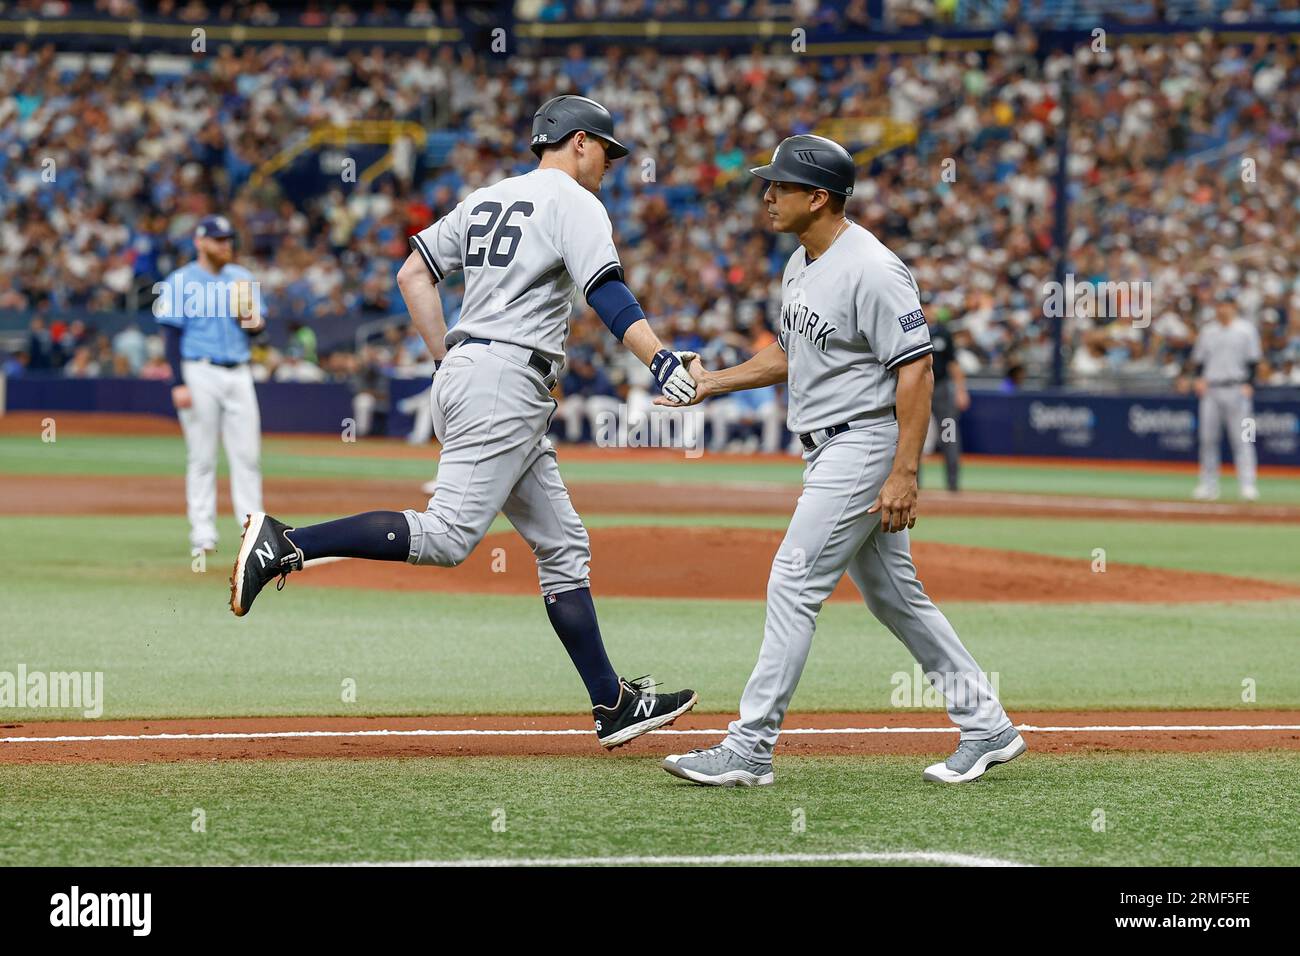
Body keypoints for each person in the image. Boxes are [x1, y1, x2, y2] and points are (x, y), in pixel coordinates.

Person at [228, 95, 699, 750]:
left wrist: (449, 357)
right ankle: (288, 541)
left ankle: (611, 702)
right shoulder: (575, 203)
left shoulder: (485, 198)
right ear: (582, 142)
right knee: (449, 536)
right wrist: (661, 358)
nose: (609, 167)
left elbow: (412, 273)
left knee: (563, 546)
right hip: (504, 380)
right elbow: (607, 291)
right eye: (607, 152)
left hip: (479, 376)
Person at [660, 134, 1023, 787]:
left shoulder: (873, 267)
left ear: (818, 196)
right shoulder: (801, 262)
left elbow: (916, 369)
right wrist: (714, 381)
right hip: (831, 444)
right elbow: (789, 352)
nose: (767, 196)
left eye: (779, 186)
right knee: (895, 599)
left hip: (862, 442)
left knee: (793, 582)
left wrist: (905, 472)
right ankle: (986, 723)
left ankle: (750, 746)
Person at [156, 215, 265, 553]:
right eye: (218, 240)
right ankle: (202, 533)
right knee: (202, 455)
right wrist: (178, 382)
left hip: (239, 370)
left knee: (248, 454)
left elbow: (257, 329)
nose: (225, 245)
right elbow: (171, 334)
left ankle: (252, 529)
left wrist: (250, 318)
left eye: (229, 239)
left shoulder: (242, 278)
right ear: (200, 242)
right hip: (198, 370)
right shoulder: (180, 280)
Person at [1191, 297, 1262, 501]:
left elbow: (1254, 361)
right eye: (1219, 305)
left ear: (1234, 307)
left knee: (1245, 439)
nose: (1222, 309)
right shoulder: (1208, 331)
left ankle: (1248, 485)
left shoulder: (1246, 329)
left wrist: (1250, 383)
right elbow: (1199, 360)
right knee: (1207, 439)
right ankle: (1207, 485)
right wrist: (1199, 379)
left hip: (1238, 389)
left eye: (1226, 305)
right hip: (1212, 389)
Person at [923, 309, 969, 491]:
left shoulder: (943, 333)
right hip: (920, 389)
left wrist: (961, 390)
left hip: (941, 388)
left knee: (949, 434)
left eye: (928, 305)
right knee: (913, 433)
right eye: (923, 305)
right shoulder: (912, 330)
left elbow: (953, 363)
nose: (927, 310)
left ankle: (952, 484)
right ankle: (914, 484)